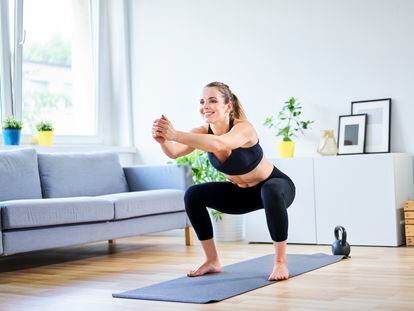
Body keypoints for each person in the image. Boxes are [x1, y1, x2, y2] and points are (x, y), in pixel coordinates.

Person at [152, 81, 295, 281]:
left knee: (269, 190)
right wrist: (163, 140)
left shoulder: (244, 128)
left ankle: (280, 263)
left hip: (276, 187)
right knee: (193, 194)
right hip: (243, 194)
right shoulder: (201, 132)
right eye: (202, 101)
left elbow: (219, 143)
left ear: (228, 106)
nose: (205, 106)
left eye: (212, 100)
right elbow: (174, 152)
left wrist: (175, 134)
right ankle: (212, 260)